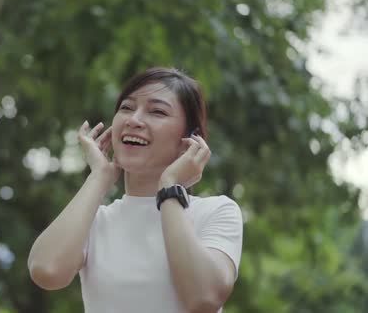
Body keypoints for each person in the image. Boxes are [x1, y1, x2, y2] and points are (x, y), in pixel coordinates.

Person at [27, 67, 243, 313]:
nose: (133, 120)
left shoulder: (216, 212)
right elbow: (46, 271)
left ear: (190, 141)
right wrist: (99, 176)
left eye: (157, 111)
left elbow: (203, 298)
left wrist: (170, 186)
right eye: (127, 108)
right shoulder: (94, 221)